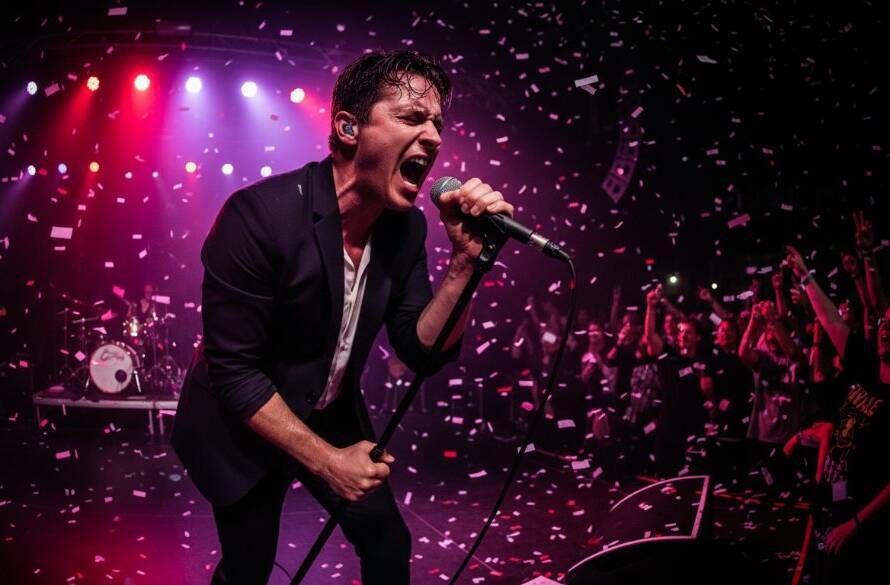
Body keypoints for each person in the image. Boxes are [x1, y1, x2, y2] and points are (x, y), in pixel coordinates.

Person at [172, 50, 514, 585]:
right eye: (410, 117)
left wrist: (466, 265)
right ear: (349, 127)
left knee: (387, 542)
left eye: (437, 124)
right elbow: (234, 373)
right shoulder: (259, 217)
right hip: (241, 420)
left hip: (328, 410)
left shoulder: (406, 231)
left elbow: (419, 348)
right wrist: (328, 461)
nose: (432, 136)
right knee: (249, 565)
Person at [784, 245, 890, 584]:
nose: (886, 329)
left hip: (864, 519)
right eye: (885, 323)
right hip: (835, 501)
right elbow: (830, 319)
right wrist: (806, 278)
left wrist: (855, 523)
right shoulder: (865, 364)